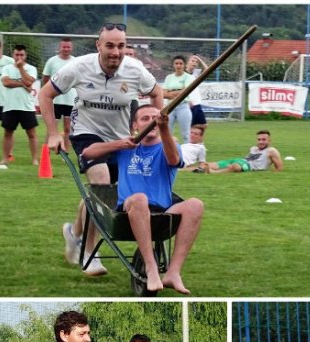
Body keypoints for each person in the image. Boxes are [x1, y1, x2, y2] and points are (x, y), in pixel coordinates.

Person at [39, 23, 163, 277]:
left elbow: (157, 93)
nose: (115, 52)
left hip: (122, 140)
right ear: (98, 46)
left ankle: (74, 233)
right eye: (109, 45)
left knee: (102, 196)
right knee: (102, 183)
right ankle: (89, 252)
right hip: (86, 134)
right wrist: (53, 133)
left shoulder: (135, 70)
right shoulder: (78, 67)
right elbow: (45, 94)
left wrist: (152, 126)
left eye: (120, 46)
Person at [81, 105, 203, 294]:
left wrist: (164, 129)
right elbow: (88, 153)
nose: (151, 121)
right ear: (135, 125)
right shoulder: (126, 148)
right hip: (128, 209)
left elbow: (173, 160)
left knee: (195, 204)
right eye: (145, 118)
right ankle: (151, 267)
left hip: (162, 212)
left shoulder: (168, 145)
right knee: (139, 198)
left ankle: (173, 272)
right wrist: (118, 144)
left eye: (155, 117)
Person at [0, 44, 39, 168]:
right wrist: (22, 84)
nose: (19, 57)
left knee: (31, 134)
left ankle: (35, 159)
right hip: (10, 106)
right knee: (7, 133)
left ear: (25, 55)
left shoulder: (31, 68)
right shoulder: (6, 68)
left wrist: (21, 69)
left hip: (26, 107)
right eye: (17, 54)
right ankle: (5, 158)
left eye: (21, 55)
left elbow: (29, 81)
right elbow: (6, 82)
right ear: (13, 55)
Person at [42, 38, 77, 149]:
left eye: (68, 47)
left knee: (67, 128)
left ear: (71, 48)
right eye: (64, 47)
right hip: (55, 100)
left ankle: (65, 150)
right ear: (59, 48)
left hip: (70, 100)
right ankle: (46, 151)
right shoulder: (52, 61)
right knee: (52, 127)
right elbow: (45, 78)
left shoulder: (76, 61)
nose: (66, 49)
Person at [209, 130, 284, 173]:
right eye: (259, 139)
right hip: (240, 161)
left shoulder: (271, 151)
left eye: (264, 140)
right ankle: (198, 169)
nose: (261, 142)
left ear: (269, 141)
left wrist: (267, 172)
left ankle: (214, 173)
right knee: (210, 164)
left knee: (235, 166)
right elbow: (248, 159)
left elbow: (280, 168)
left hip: (248, 166)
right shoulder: (253, 148)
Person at [163, 55, 195, 142]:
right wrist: (178, 92)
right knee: (167, 132)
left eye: (180, 63)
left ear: (184, 65)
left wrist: (171, 92)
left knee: (186, 134)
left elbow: (185, 92)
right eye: (176, 63)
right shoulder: (169, 77)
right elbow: (164, 93)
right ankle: (168, 153)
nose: (178, 65)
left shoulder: (188, 77)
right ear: (173, 65)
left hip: (183, 106)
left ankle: (188, 153)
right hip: (170, 107)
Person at [186, 54, 209, 130]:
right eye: (192, 61)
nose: (194, 63)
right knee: (190, 126)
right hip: (190, 104)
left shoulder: (195, 74)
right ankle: (188, 140)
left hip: (197, 103)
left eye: (196, 62)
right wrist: (187, 101)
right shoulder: (183, 74)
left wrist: (199, 59)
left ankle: (196, 140)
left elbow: (207, 69)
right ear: (187, 63)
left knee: (204, 125)